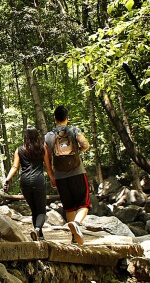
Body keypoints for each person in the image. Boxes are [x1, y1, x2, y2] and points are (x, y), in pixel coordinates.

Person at [44, 105, 91, 245]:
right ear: (67, 118)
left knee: (69, 206)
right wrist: (80, 149)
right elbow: (85, 144)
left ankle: (73, 237)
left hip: (60, 176)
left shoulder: (48, 136)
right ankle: (76, 223)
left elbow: (46, 159)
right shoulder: (73, 130)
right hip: (77, 172)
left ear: (55, 118)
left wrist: (52, 176)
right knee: (84, 204)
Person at [3, 127, 50, 241]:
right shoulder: (42, 148)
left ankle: (40, 236)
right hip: (38, 180)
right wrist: (53, 180)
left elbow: (15, 167)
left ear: (26, 137)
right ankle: (38, 229)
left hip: (25, 182)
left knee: (34, 210)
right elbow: (48, 167)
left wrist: (7, 180)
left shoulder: (19, 150)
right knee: (41, 211)